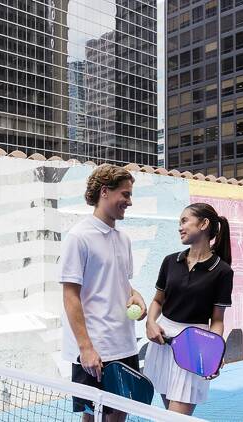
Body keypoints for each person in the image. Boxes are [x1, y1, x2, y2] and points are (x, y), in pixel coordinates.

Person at [60, 164, 148, 421]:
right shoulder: (79, 237)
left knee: (119, 415)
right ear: (105, 192)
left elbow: (120, 284)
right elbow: (70, 296)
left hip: (125, 345)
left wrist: (137, 297)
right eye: (125, 194)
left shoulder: (123, 239)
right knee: (90, 417)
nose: (129, 202)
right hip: (94, 350)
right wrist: (85, 347)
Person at [143, 202, 234, 416]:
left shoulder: (223, 271)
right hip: (162, 343)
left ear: (203, 224)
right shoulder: (170, 261)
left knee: (176, 418)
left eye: (184, 221)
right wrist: (150, 323)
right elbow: (158, 301)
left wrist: (213, 350)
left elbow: (218, 320)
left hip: (194, 347)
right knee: (169, 415)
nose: (180, 227)